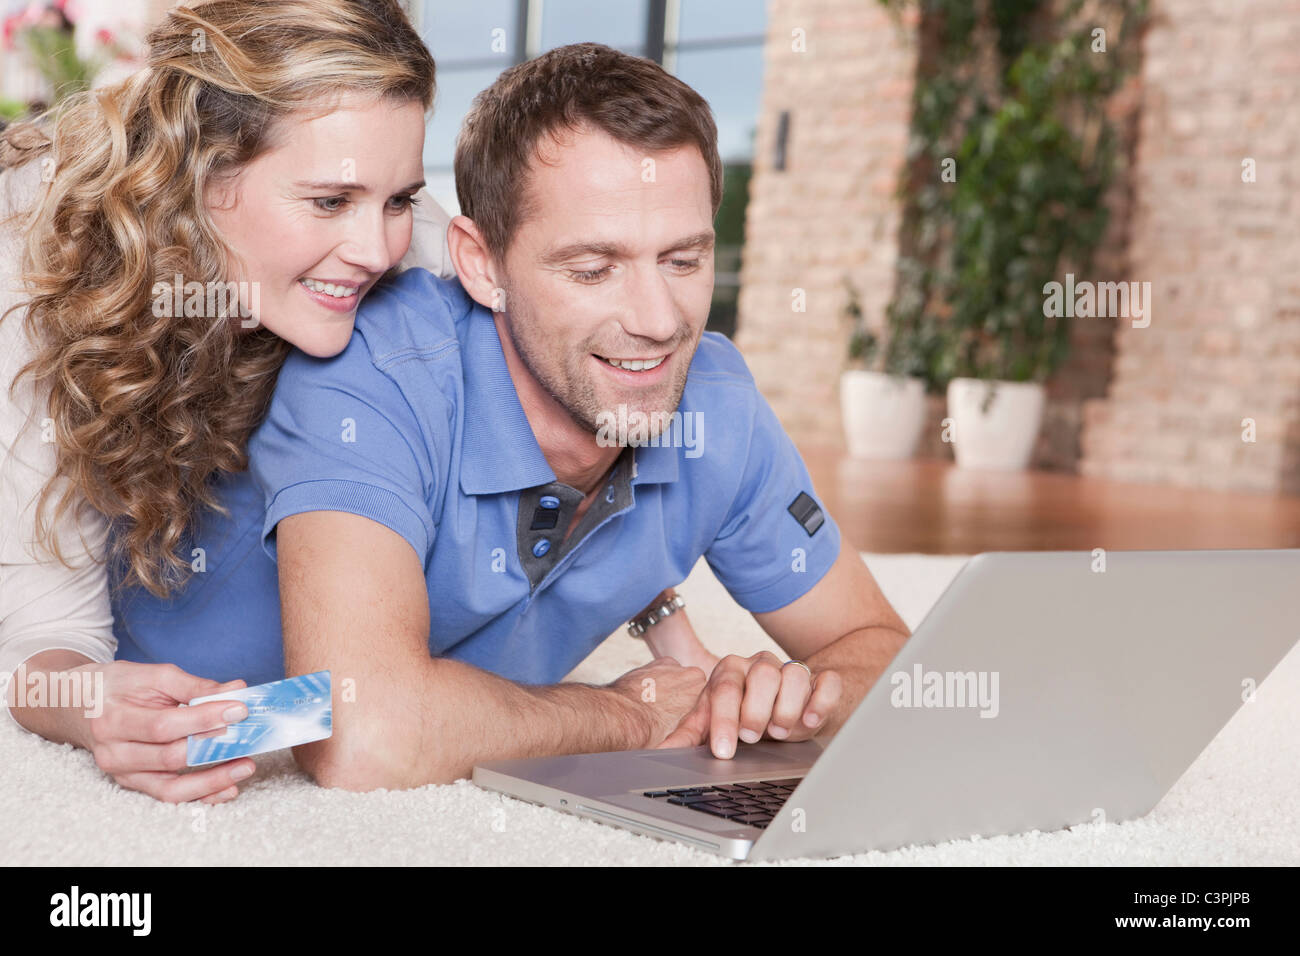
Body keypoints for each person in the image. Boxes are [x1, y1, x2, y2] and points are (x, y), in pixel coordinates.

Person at [110, 42, 913, 793]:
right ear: (480, 263)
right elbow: (365, 734)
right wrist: (628, 713)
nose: (659, 319)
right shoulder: (368, 367)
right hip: (184, 709)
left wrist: (795, 697)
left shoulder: (715, 406)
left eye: (684, 259)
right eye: (594, 268)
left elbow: (887, 655)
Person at [0, 0, 445, 804]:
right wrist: (94, 703)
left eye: (400, 198)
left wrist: (659, 616)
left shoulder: (408, 239)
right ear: (201, 175)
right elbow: (41, 633)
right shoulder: (29, 271)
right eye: (328, 203)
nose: (378, 247)